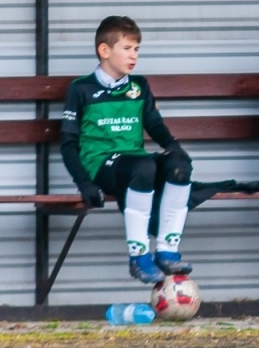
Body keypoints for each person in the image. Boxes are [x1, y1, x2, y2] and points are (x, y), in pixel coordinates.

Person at [60, 16, 195, 284]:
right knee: (143, 166)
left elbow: (154, 124)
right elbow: (67, 143)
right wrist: (84, 182)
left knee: (180, 166)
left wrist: (174, 148)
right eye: (127, 48)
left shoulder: (139, 86)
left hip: (134, 164)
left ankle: (167, 250)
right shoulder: (81, 88)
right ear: (104, 50)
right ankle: (139, 255)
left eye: (137, 49)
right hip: (101, 165)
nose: (134, 55)